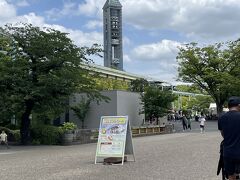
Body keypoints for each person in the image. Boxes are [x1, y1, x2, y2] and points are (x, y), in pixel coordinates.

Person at [218, 96, 240, 180]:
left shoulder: (221, 117)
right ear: (239, 105)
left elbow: (223, 134)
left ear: (228, 106)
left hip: (228, 153)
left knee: (231, 176)